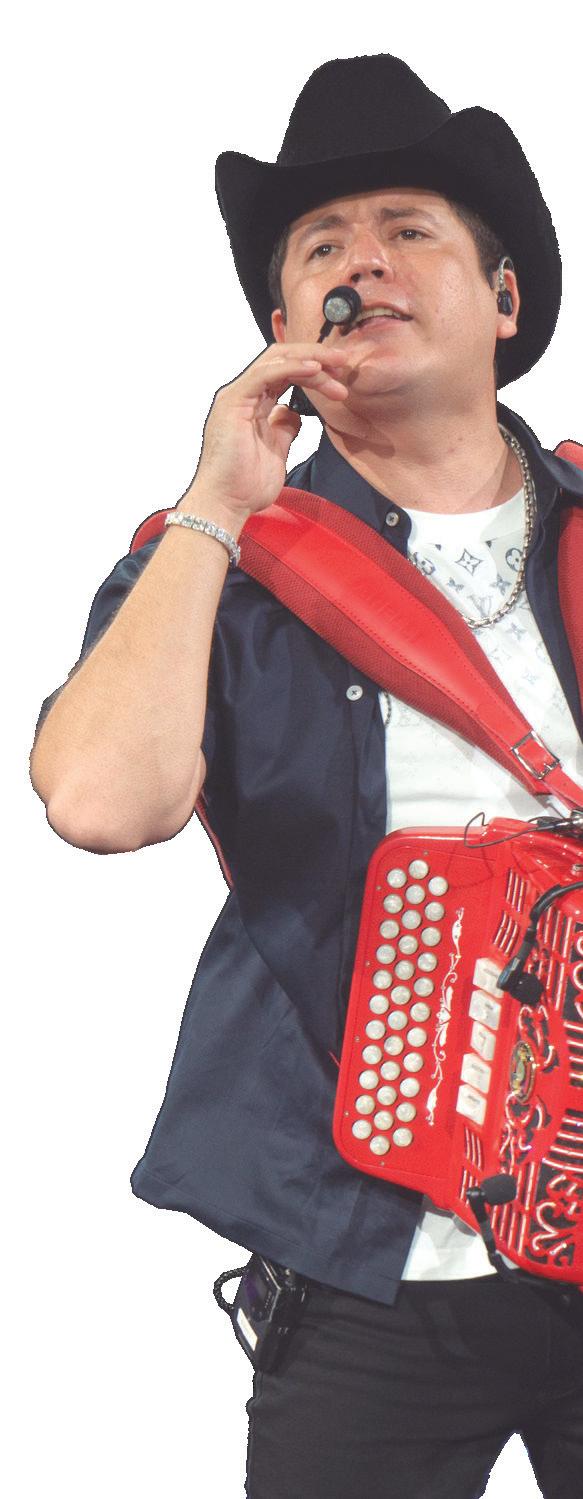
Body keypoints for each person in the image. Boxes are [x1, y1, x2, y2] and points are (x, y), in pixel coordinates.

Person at [29, 51, 583, 1499]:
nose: (363, 261)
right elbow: (99, 802)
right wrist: (217, 502)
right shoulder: (212, 569)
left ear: (504, 297)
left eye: (408, 229)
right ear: (287, 328)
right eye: (322, 247)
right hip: (362, 1266)